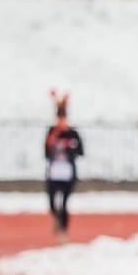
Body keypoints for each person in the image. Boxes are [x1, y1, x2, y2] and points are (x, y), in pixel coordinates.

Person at [43, 94, 84, 242]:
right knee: (52, 202)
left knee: (65, 203)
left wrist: (70, 148)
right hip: (54, 172)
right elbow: (45, 153)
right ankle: (57, 220)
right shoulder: (52, 132)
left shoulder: (72, 133)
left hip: (68, 172)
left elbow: (81, 152)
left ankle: (64, 231)